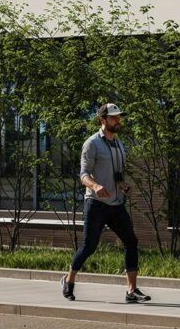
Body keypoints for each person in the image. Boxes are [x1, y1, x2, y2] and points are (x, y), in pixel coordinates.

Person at [63, 103, 150, 304]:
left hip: (116, 204)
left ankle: (131, 290)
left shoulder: (119, 145)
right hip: (96, 204)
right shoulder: (91, 144)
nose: (118, 121)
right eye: (114, 118)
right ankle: (69, 280)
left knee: (131, 241)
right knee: (89, 246)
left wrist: (122, 184)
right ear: (103, 120)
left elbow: (118, 173)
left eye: (119, 117)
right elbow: (83, 175)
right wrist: (95, 186)